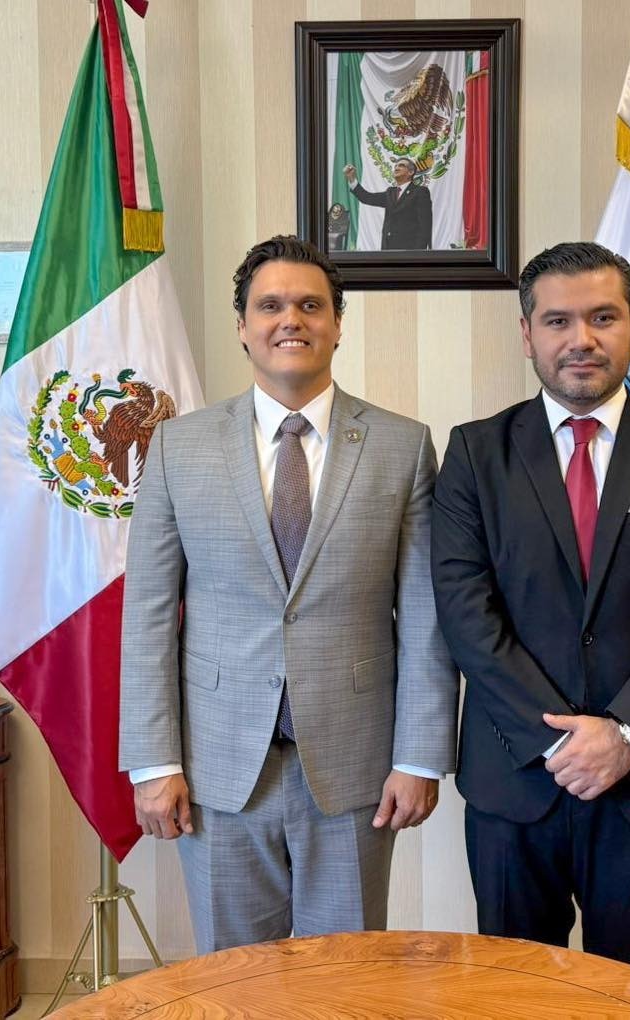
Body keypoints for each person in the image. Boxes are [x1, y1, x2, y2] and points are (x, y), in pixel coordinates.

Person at [120, 235, 458, 953]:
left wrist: (420, 757)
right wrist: (154, 764)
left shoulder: (402, 446)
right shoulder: (178, 447)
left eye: (310, 305)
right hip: (217, 768)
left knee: (346, 982)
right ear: (242, 326)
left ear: (337, 324)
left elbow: (425, 618)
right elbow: (147, 616)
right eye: (270, 305)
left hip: (355, 768)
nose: (290, 320)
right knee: (235, 981)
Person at [430, 241, 630, 974]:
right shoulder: (475, 454)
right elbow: (465, 613)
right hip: (516, 779)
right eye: (558, 321)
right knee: (515, 997)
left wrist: (624, 731)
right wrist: (557, 743)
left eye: (602, 317)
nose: (581, 339)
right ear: (527, 334)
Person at [343, 159, 432, 250]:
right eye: (395, 166)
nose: (396, 168)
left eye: (401, 165)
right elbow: (367, 197)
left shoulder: (420, 191)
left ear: (411, 172)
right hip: (388, 250)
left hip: (410, 250)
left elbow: (425, 225)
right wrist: (352, 179)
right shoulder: (390, 192)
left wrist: (418, 252)